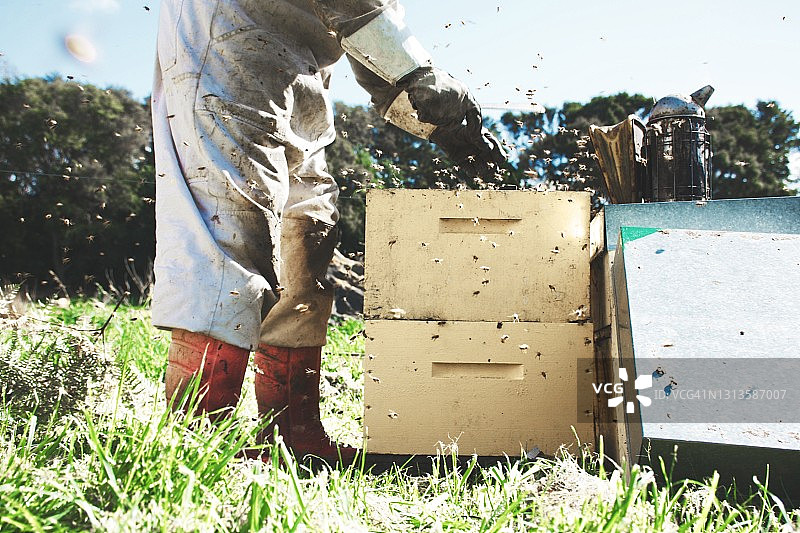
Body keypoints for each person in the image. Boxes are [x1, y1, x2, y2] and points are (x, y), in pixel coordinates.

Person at [151, 0, 505, 462]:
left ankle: (292, 434)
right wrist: (424, 80)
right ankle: (196, 444)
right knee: (233, 230)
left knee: (308, 234)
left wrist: (424, 106)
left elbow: (364, 29)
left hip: (304, 64)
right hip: (228, 40)